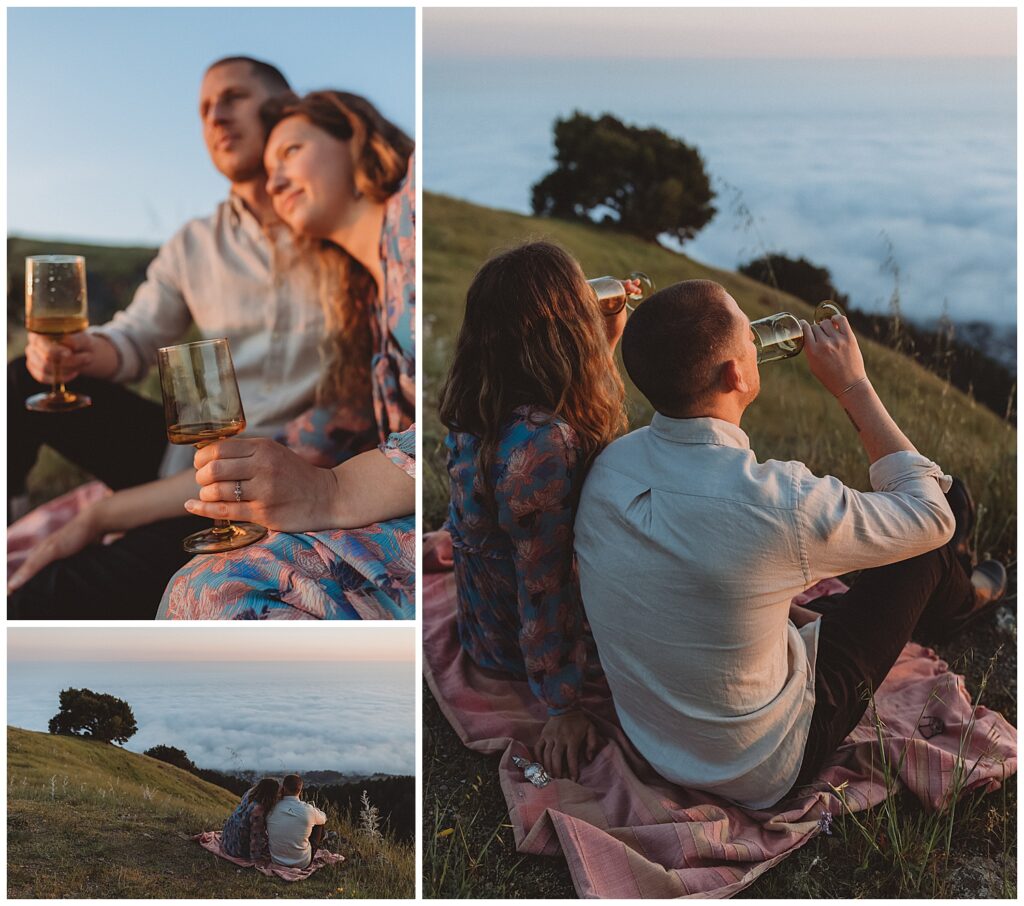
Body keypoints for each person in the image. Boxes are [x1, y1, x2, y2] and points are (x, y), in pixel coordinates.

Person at [574, 279, 1009, 809]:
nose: (758, 339)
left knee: (921, 525)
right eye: (747, 333)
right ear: (737, 372)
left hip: (653, 737)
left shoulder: (607, 466)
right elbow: (929, 515)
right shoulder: (777, 503)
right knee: (944, 522)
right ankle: (961, 605)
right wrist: (853, 385)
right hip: (760, 762)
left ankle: (953, 588)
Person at [8, 56, 323, 617]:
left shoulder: (332, 227)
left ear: (284, 109)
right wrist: (82, 350)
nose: (216, 117)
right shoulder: (193, 243)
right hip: (192, 452)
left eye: (234, 98)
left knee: (46, 597)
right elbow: (135, 335)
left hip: (290, 466)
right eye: (204, 109)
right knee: (17, 380)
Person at [157, 89, 415, 619]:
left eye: (291, 151)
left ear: (351, 132)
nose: (273, 181)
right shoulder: (365, 303)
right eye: (269, 170)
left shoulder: (415, 205)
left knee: (211, 586)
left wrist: (333, 489)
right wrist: (96, 516)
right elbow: (305, 444)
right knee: (201, 578)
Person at [437, 241, 632, 780]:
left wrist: (605, 344)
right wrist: (563, 708)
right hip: (521, 649)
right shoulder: (543, 445)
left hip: (481, 623)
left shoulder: (481, 400)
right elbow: (542, 583)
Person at [266, 774, 327, 869]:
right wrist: (315, 811)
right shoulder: (308, 809)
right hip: (302, 863)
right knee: (319, 824)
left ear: (283, 788)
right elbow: (324, 818)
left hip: (277, 860)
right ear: (300, 790)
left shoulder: (272, 808)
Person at [221, 777, 280, 863]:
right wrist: (256, 860)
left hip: (227, 837)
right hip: (237, 849)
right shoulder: (258, 811)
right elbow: (256, 838)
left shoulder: (249, 794)